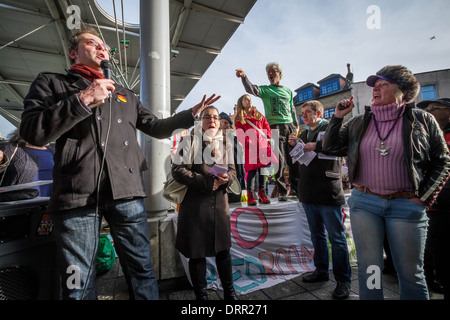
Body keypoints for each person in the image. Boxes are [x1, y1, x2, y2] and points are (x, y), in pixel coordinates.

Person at [19, 28, 220, 300]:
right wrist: (83, 99)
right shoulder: (52, 83)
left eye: (106, 47)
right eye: (93, 43)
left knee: (142, 271)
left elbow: (157, 127)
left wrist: (189, 114)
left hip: (127, 194)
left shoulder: (125, 94)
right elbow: (33, 131)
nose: (103, 49)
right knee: (77, 281)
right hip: (75, 196)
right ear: (73, 52)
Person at [322, 65, 450, 300]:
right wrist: (338, 117)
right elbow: (330, 147)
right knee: (370, 269)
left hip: (406, 206)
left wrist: (422, 199)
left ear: (402, 91)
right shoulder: (359, 122)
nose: (376, 89)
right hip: (364, 204)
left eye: (383, 85)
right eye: (375, 85)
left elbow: (442, 162)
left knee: (411, 272)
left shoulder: (423, 120)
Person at [288, 100, 351, 300]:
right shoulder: (303, 134)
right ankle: (321, 271)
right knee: (317, 236)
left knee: (337, 239)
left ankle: (343, 281)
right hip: (308, 192)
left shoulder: (329, 128)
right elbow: (298, 161)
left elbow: (341, 148)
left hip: (328, 192)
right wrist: (294, 146)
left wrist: (318, 146)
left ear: (319, 112)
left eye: (307, 112)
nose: (303, 116)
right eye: (302, 113)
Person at [172, 106, 237, 300]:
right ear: (200, 121)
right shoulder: (189, 141)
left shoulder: (225, 142)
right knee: (197, 254)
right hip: (195, 206)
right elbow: (177, 170)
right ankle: (201, 296)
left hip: (219, 206)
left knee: (223, 252)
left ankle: (229, 293)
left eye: (215, 117)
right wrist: (207, 182)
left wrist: (228, 179)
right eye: (207, 117)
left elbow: (233, 170)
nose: (212, 120)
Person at [236, 63, 298, 201]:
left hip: (290, 126)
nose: (270, 74)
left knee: (293, 159)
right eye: (268, 72)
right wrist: (244, 77)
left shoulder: (288, 91)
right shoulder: (265, 90)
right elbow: (251, 89)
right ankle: (282, 190)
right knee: (279, 161)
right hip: (275, 126)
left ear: (280, 74)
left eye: (273, 71)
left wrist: (296, 125)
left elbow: (292, 108)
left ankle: (296, 189)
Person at [417, 98, 450, 299]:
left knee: (444, 258)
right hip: (428, 206)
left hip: (443, 208)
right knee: (426, 254)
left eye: (433, 108)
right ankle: (430, 284)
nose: (428, 112)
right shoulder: (426, 135)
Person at [235, 94, 272, 205]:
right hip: (251, 148)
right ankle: (250, 194)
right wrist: (249, 143)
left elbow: (267, 127)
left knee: (263, 170)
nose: (249, 101)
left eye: (250, 99)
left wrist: (268, 138)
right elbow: (240, 134)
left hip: (262, 146)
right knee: (252, 171)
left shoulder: (258, 115)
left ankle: (262, 193)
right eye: (246, 99)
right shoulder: (239, 118)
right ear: (241, 103)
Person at [0, 128, 54, 197]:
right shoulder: (11, 149)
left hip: (48, 204)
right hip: (20, 204)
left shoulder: (53, 151)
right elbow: (2, 164)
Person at [219, 112, 246, 203]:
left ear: (230, 126)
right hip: (223, 181)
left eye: (226, 123)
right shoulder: (215, 140)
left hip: (237, 179)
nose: (223, 125)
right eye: (221, 122)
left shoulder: (236, 140)